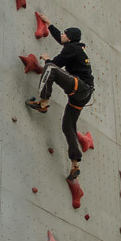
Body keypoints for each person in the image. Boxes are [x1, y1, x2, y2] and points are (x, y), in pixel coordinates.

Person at [25, 13, 94, 180]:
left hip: (79, 86)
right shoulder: (75, 48)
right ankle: (75, 163)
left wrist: (47, 59)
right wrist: (49, 24)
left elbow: (55, 63)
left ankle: (43, 102)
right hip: (83, 95)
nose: (62, 35)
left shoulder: (71, 48)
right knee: (67, 126)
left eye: (64, 33)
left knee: (50, 68)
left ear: (70, 38)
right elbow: (62, 42)